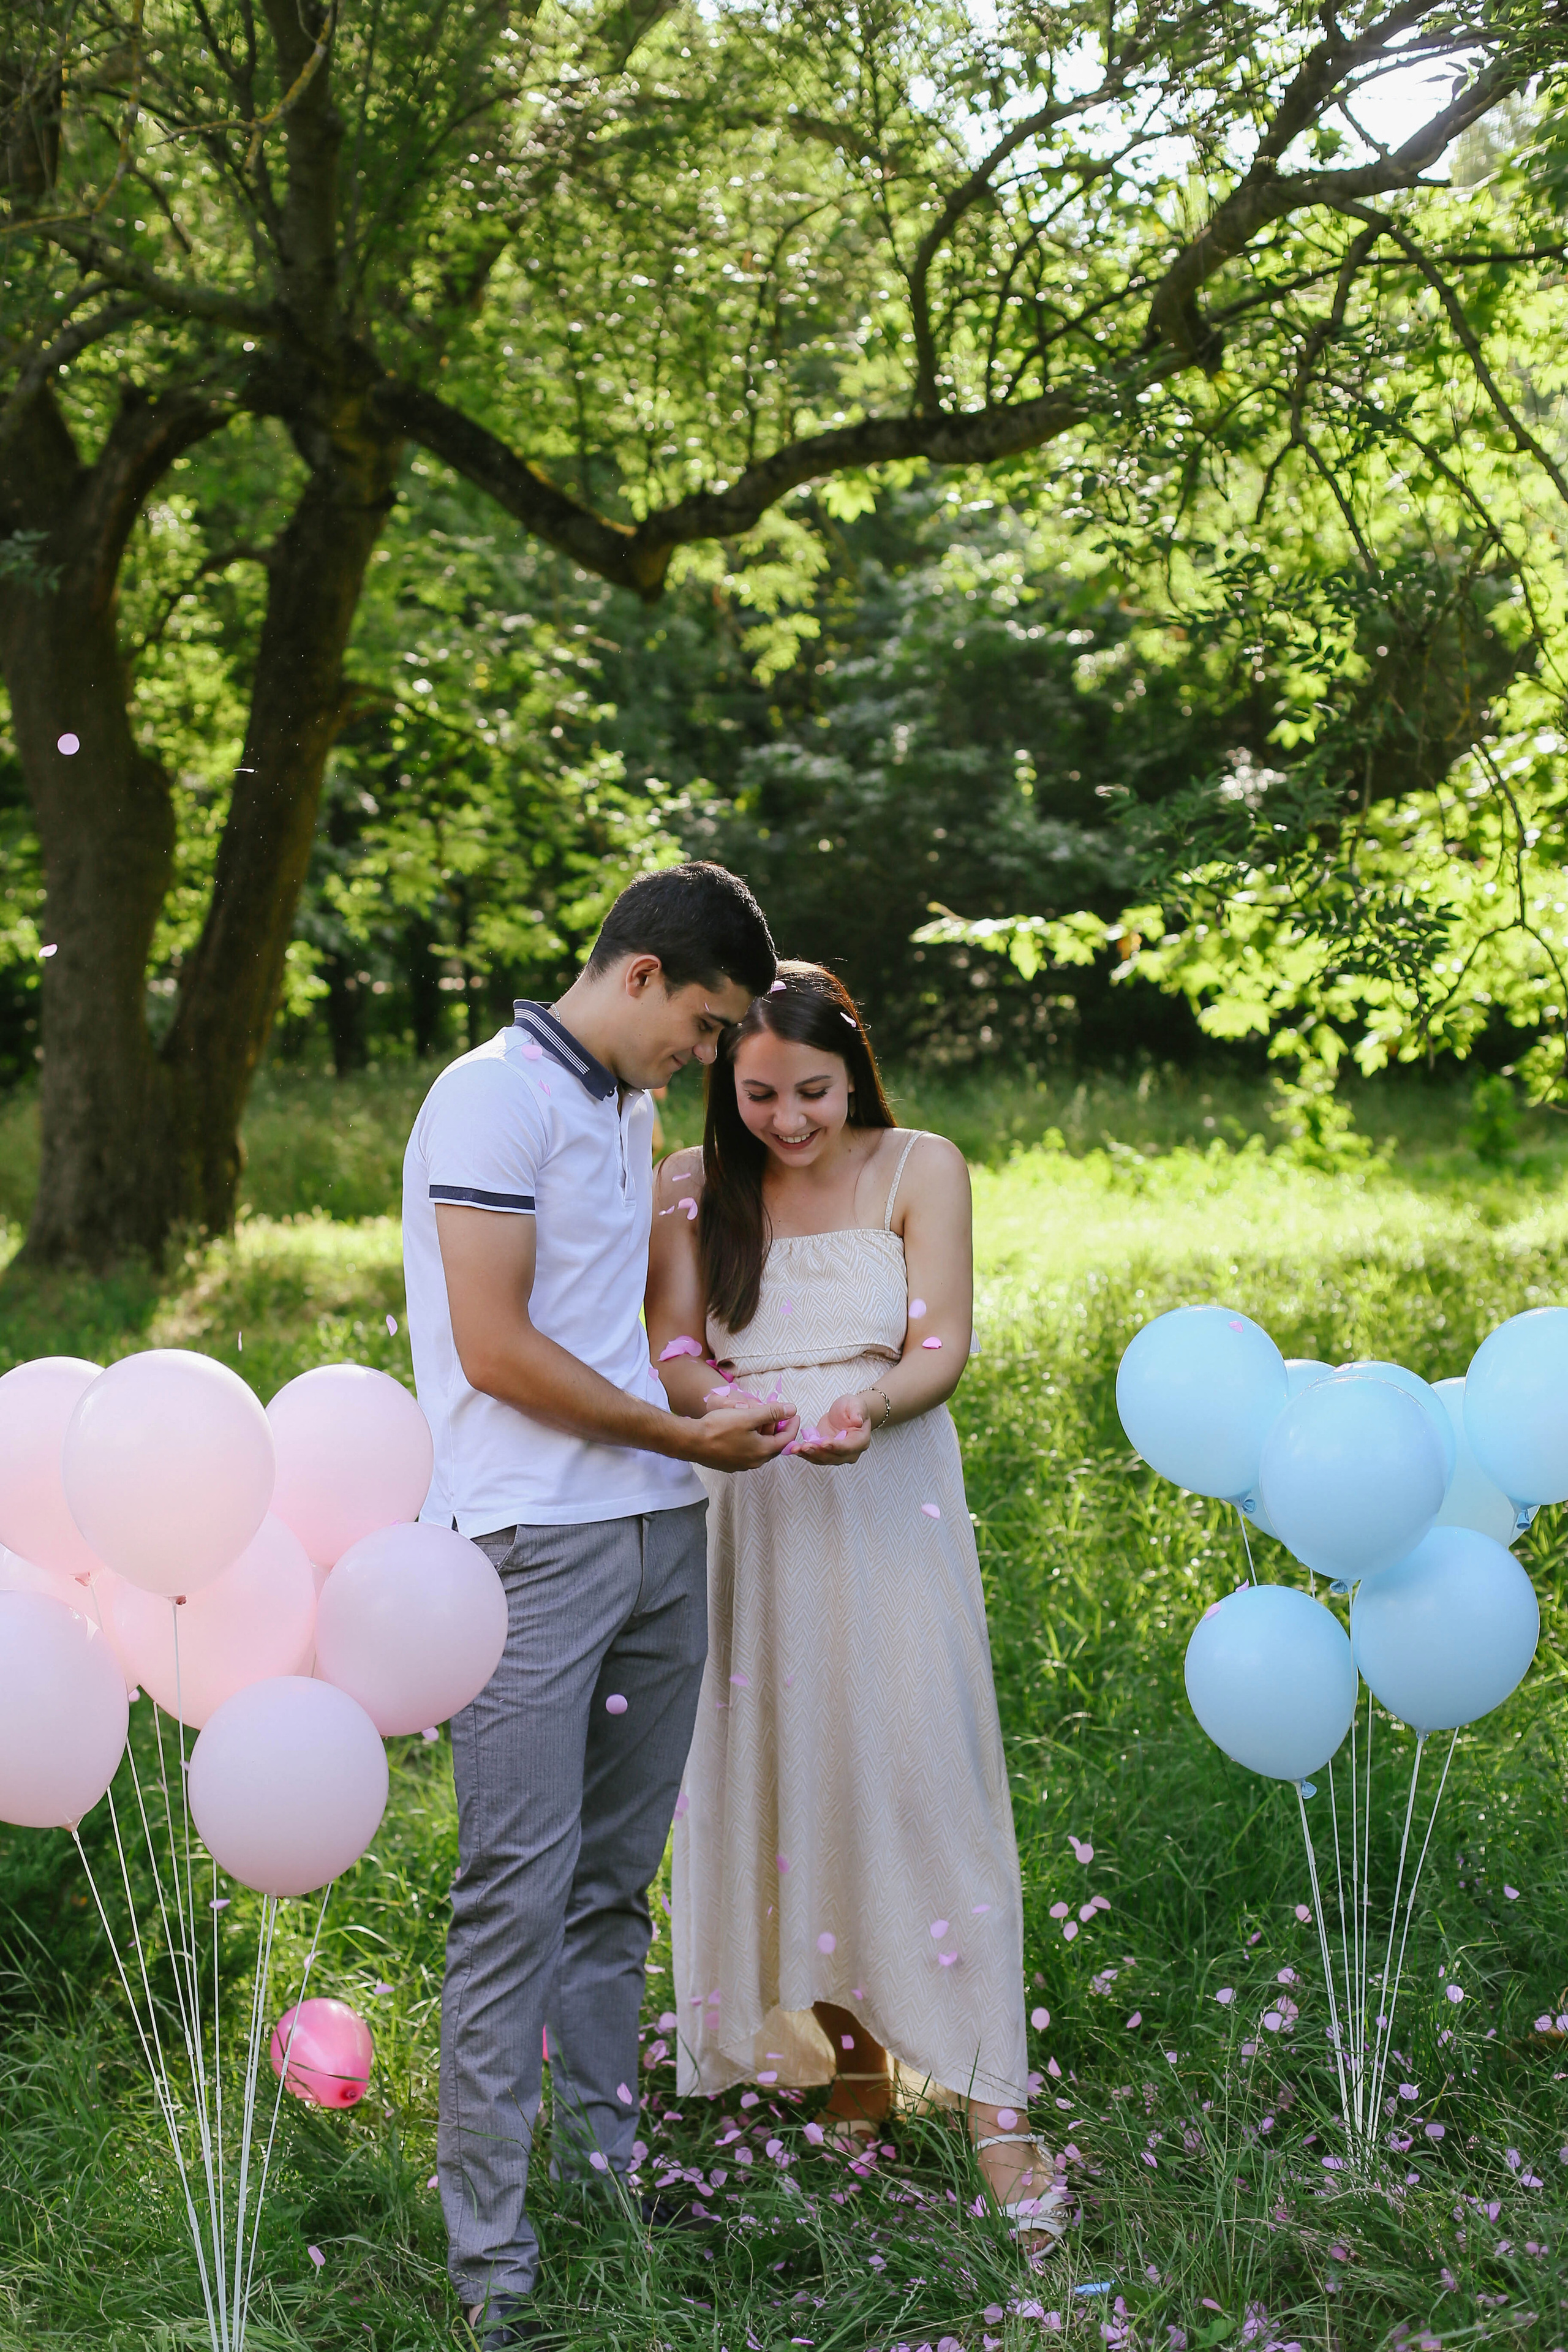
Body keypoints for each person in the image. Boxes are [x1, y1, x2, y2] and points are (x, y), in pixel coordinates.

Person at [402, 863, 797, 2350]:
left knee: (609, 1884)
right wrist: (677, 1439)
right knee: (512, 1892)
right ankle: (491, 2263)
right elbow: (497, 1350)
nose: (702, 1060)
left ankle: (601, 2175)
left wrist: (708, 1404)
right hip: (530, 1544)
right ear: (639, 977)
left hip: (653, 1538)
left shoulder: (621, 1112)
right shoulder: (486, 1098)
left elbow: (621, 1323)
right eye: (701, 1025)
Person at [646, 961, 1065, 2245]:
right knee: (789, 1777)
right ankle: (852, 2055)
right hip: (751, 1496)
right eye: (759, 1093)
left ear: (852, 1071)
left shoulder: (917, 1166)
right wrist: (714, 1402)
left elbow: (940, 1341)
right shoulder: (689, 1183)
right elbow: (668, 1342)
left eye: (812, 1092)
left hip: (881, 1490)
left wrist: (866, 1408)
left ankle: (995, 2095)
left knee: (915, 1765)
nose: (787, 1121)